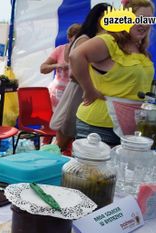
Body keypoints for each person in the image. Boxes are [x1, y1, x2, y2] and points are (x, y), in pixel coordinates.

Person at [70, 0, 155, 147]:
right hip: (99, 126)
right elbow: (76, 56)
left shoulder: (141, 50)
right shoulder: (110, 41)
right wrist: (89, 90)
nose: (144, 24)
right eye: (139, 18)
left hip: (131, 129)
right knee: (98, 171)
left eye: (149, 19)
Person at [50, 3, 110, 151]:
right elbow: (74, 72)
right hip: (78, 91)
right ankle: (44, 168)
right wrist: (91, 88)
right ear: (97, 19)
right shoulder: (85, 39)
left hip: (82, 91)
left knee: (69, 139)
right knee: (63, 140)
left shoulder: (94, 39)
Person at [40, 23, 81, 109]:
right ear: (69, 38)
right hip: (57, 95)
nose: (78, 43)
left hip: (75, 93)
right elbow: (42, 68)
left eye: (80, 40)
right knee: (56, 120)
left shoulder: (84, 51)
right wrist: (57, 65)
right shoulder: (60, 49)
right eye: (76, 40)